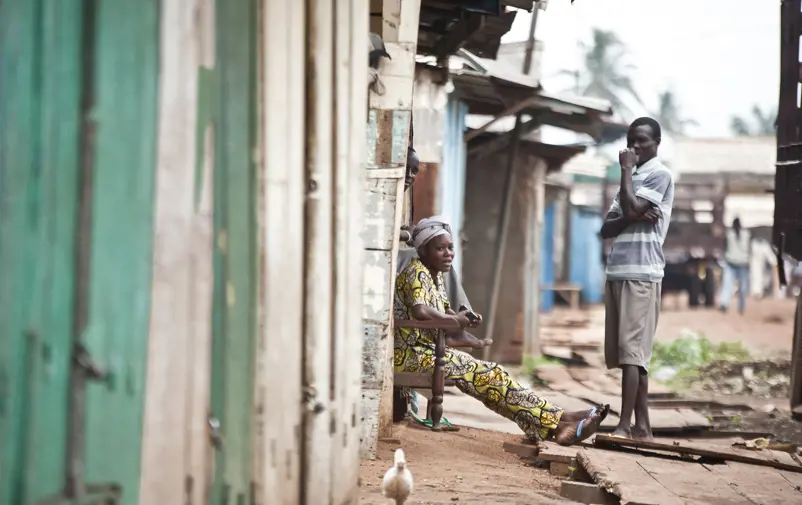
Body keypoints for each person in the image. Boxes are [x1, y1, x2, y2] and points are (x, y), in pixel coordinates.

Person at [394, 216, 610, 445]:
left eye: (450, 248)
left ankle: (558, 423)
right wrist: (456, 320)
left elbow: (444, 324)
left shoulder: (434, 277)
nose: (449, 254)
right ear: (423, 251)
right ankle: (560, 420)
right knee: (491, 376)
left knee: (495, 377)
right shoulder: (415, 272)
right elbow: (421, 311)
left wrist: (469, 334)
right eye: (440, 249)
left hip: (427, 352)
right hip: (409, 356)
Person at [600, 117, 674, 440]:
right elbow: (607, 227)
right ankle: (643, 427)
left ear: (657, 142)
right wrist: (632, 213)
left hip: (642, 273)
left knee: (632, 352)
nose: (634, 147)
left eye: (642, 141)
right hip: (618, 270)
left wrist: (627, 175)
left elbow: (627, 211)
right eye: (631, 141)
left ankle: (624, 425)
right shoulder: (629, 182)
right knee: (627, 353)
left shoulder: (659, 174)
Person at [719, 217, 751, 314]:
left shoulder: (745, 235)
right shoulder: (730, 234)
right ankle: (724, 304)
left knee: (742, 287)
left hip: (741, 264)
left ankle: (740, 306)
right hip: (731, 263)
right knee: (728, 284)